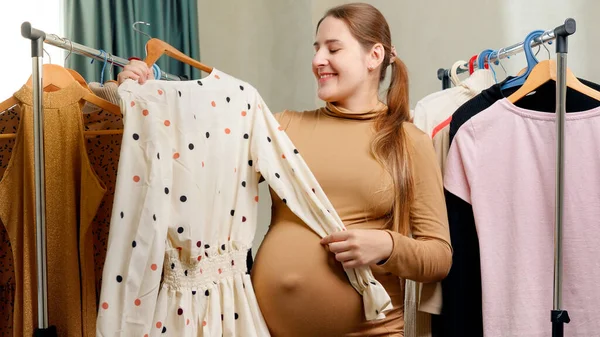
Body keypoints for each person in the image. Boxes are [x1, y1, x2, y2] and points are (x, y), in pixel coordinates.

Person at [117, 3, 452, 336]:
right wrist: (143, 98)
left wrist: (387, 246)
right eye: (317, 48)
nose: (318, 60)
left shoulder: (408, 140)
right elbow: (191, 162)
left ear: (374, 56)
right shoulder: (284, 126)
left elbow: (439, 256)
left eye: (333, 48)